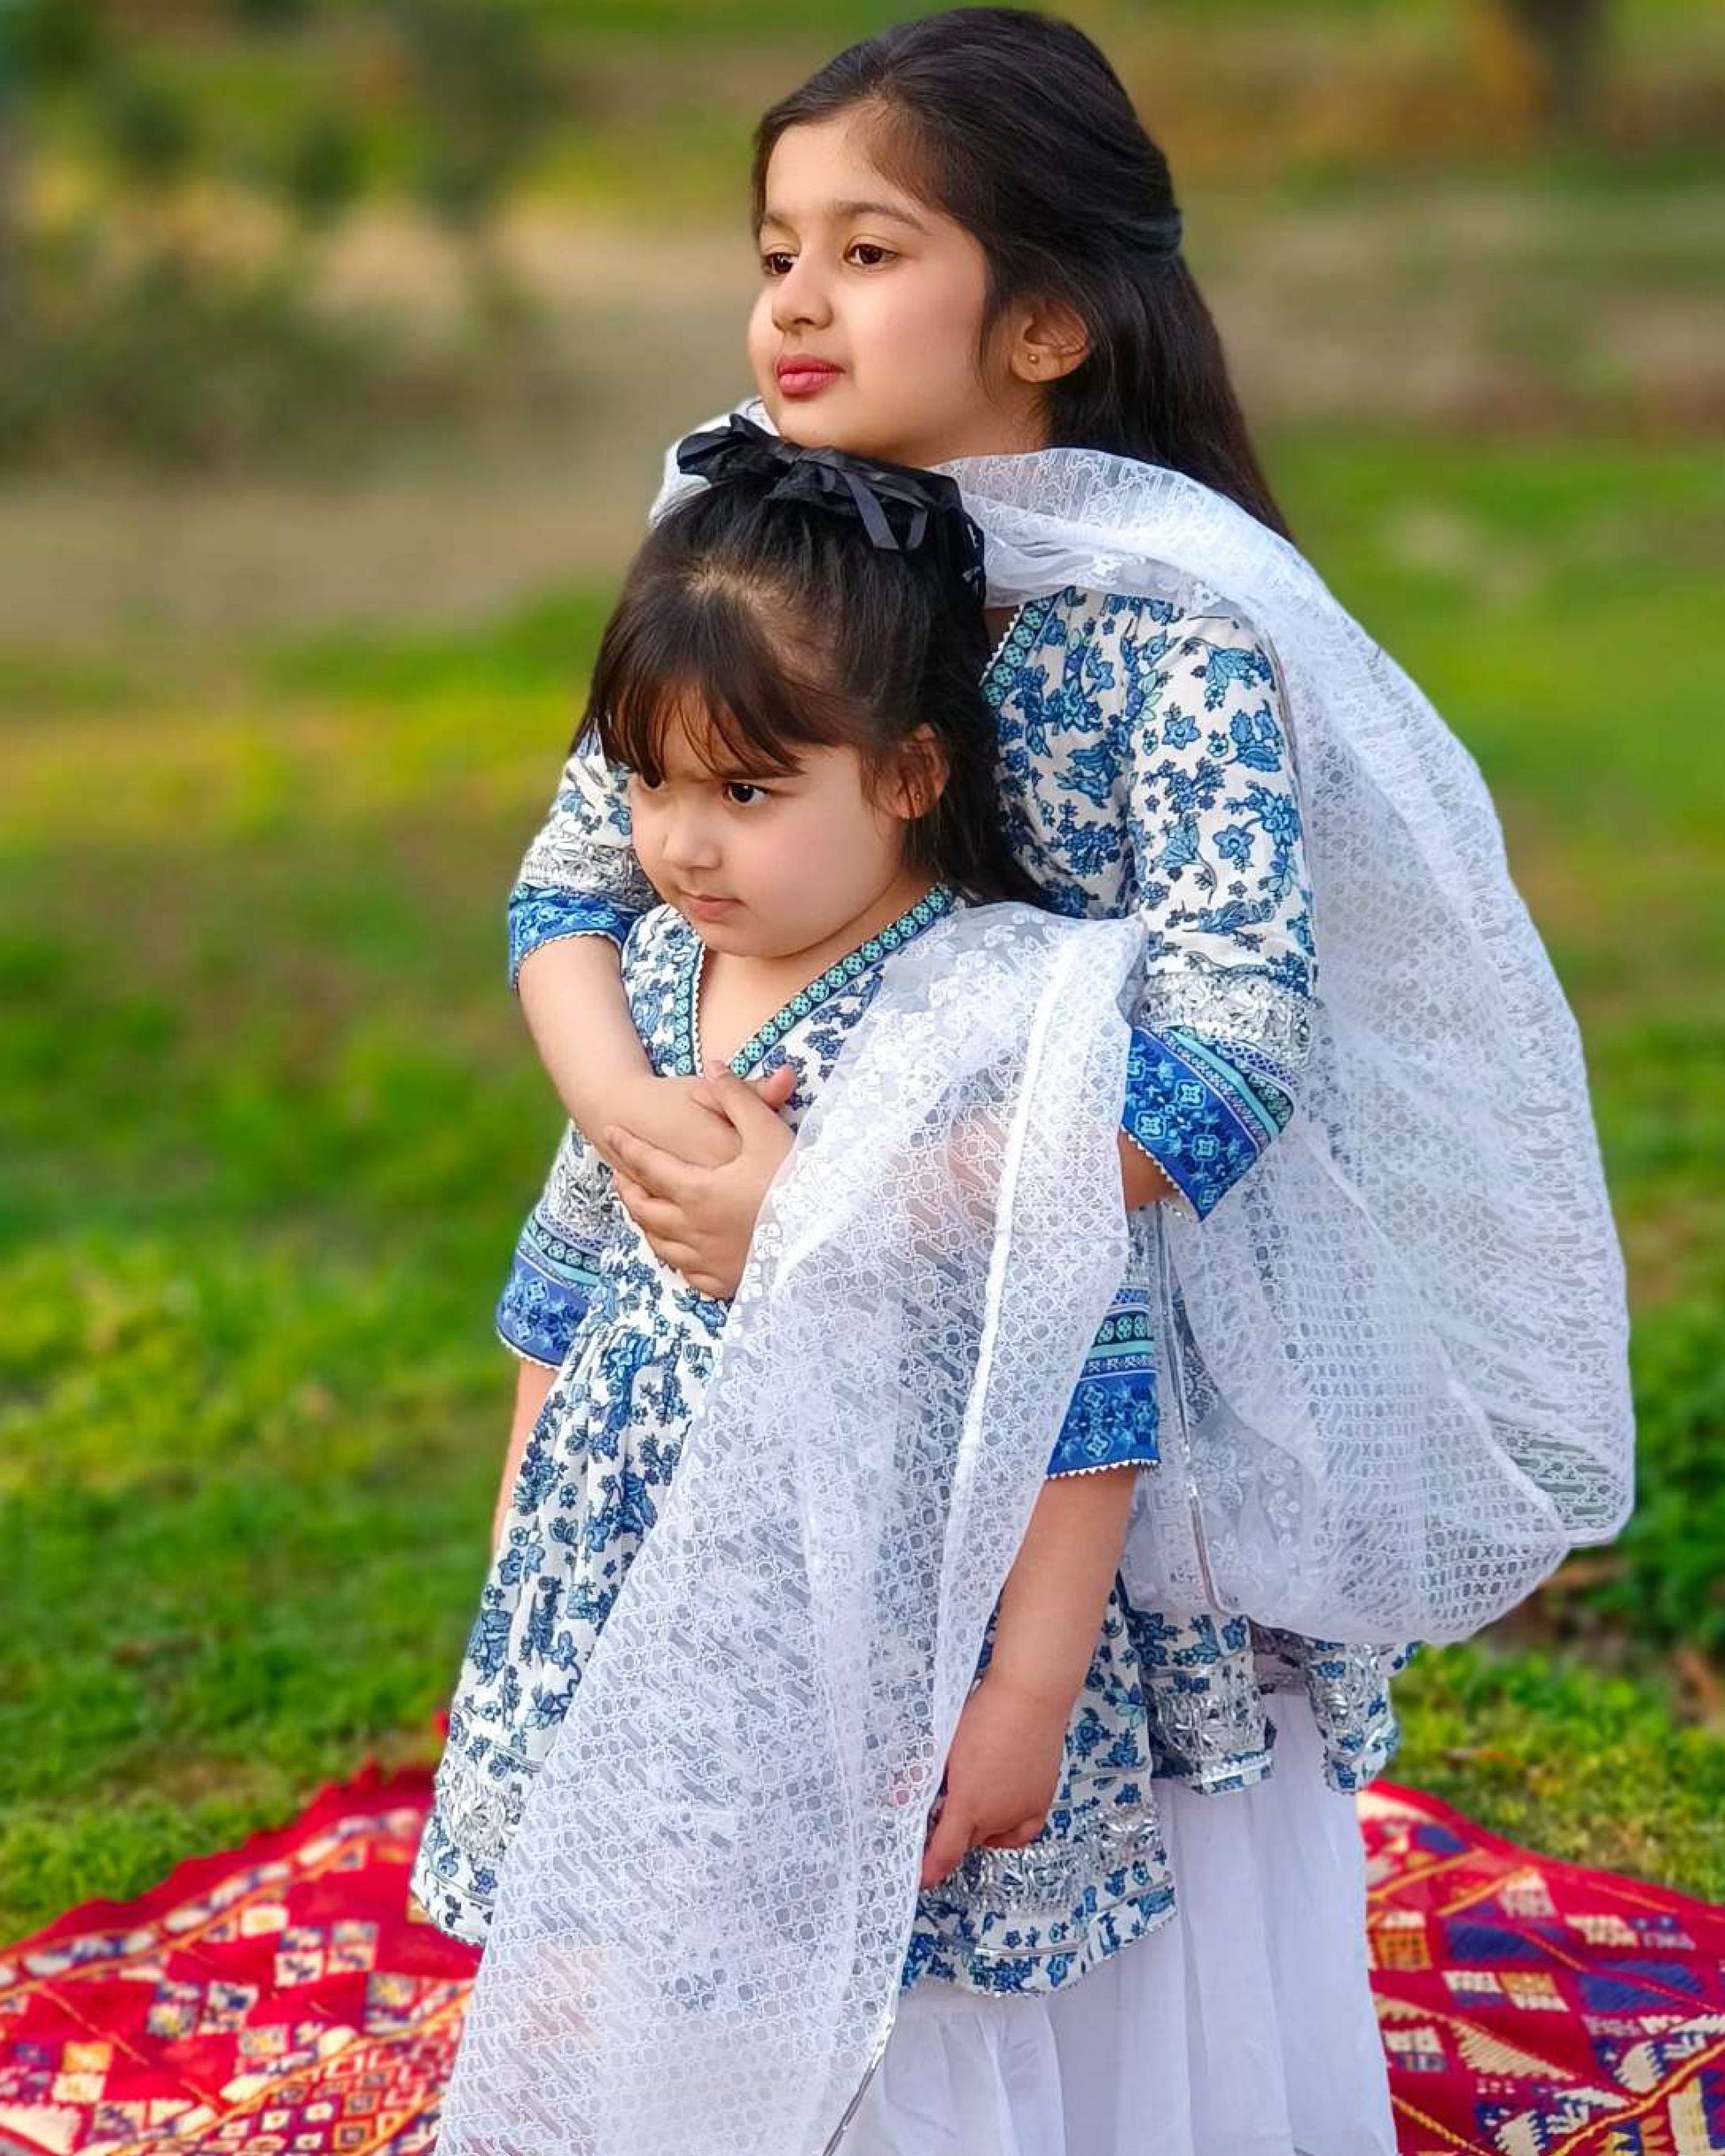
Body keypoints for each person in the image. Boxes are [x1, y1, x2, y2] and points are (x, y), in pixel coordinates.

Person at [434, 12, 1632, 2155]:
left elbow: (1234, 1044)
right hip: (711, 1205)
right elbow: (572, 881)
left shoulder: (1177, 624)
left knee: (995, 1771)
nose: (796, 302)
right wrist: (632, 1127)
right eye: (775, 250)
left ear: (1048, 321)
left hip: (1056, 1262)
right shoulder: (754, 549)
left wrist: (869, 1210)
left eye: (868, 250)